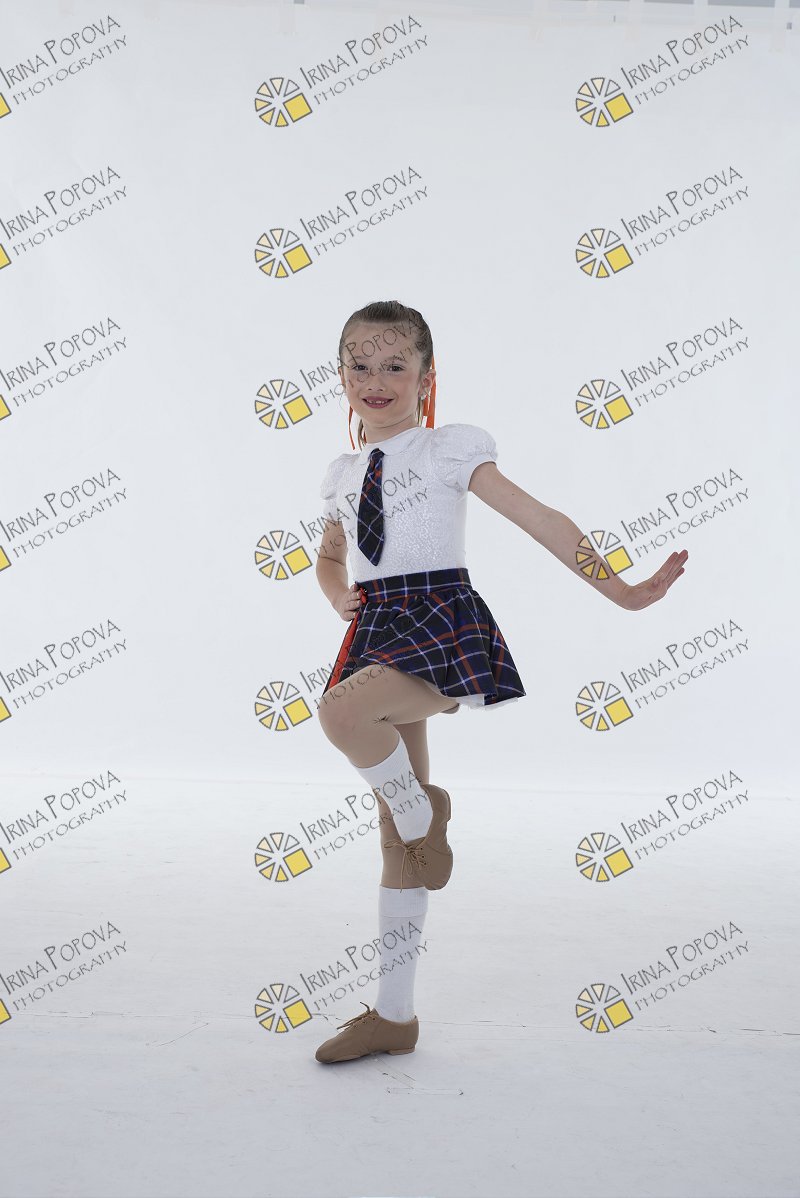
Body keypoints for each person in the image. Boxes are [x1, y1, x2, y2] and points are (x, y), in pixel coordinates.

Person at [313, 300, 688, 1064]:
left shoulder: (447, 449)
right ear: (341, 376)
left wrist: (620, 589)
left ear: (426, 376)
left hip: (439, 621)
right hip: (376, 627)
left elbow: (540, 518)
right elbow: (329, 556)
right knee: (397, 842)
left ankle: (425, 812)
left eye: (395, 364)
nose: (376, 379)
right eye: (360, 364)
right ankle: (395, 1015)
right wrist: (335, 592)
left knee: (341, 717)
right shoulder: (343, 473)